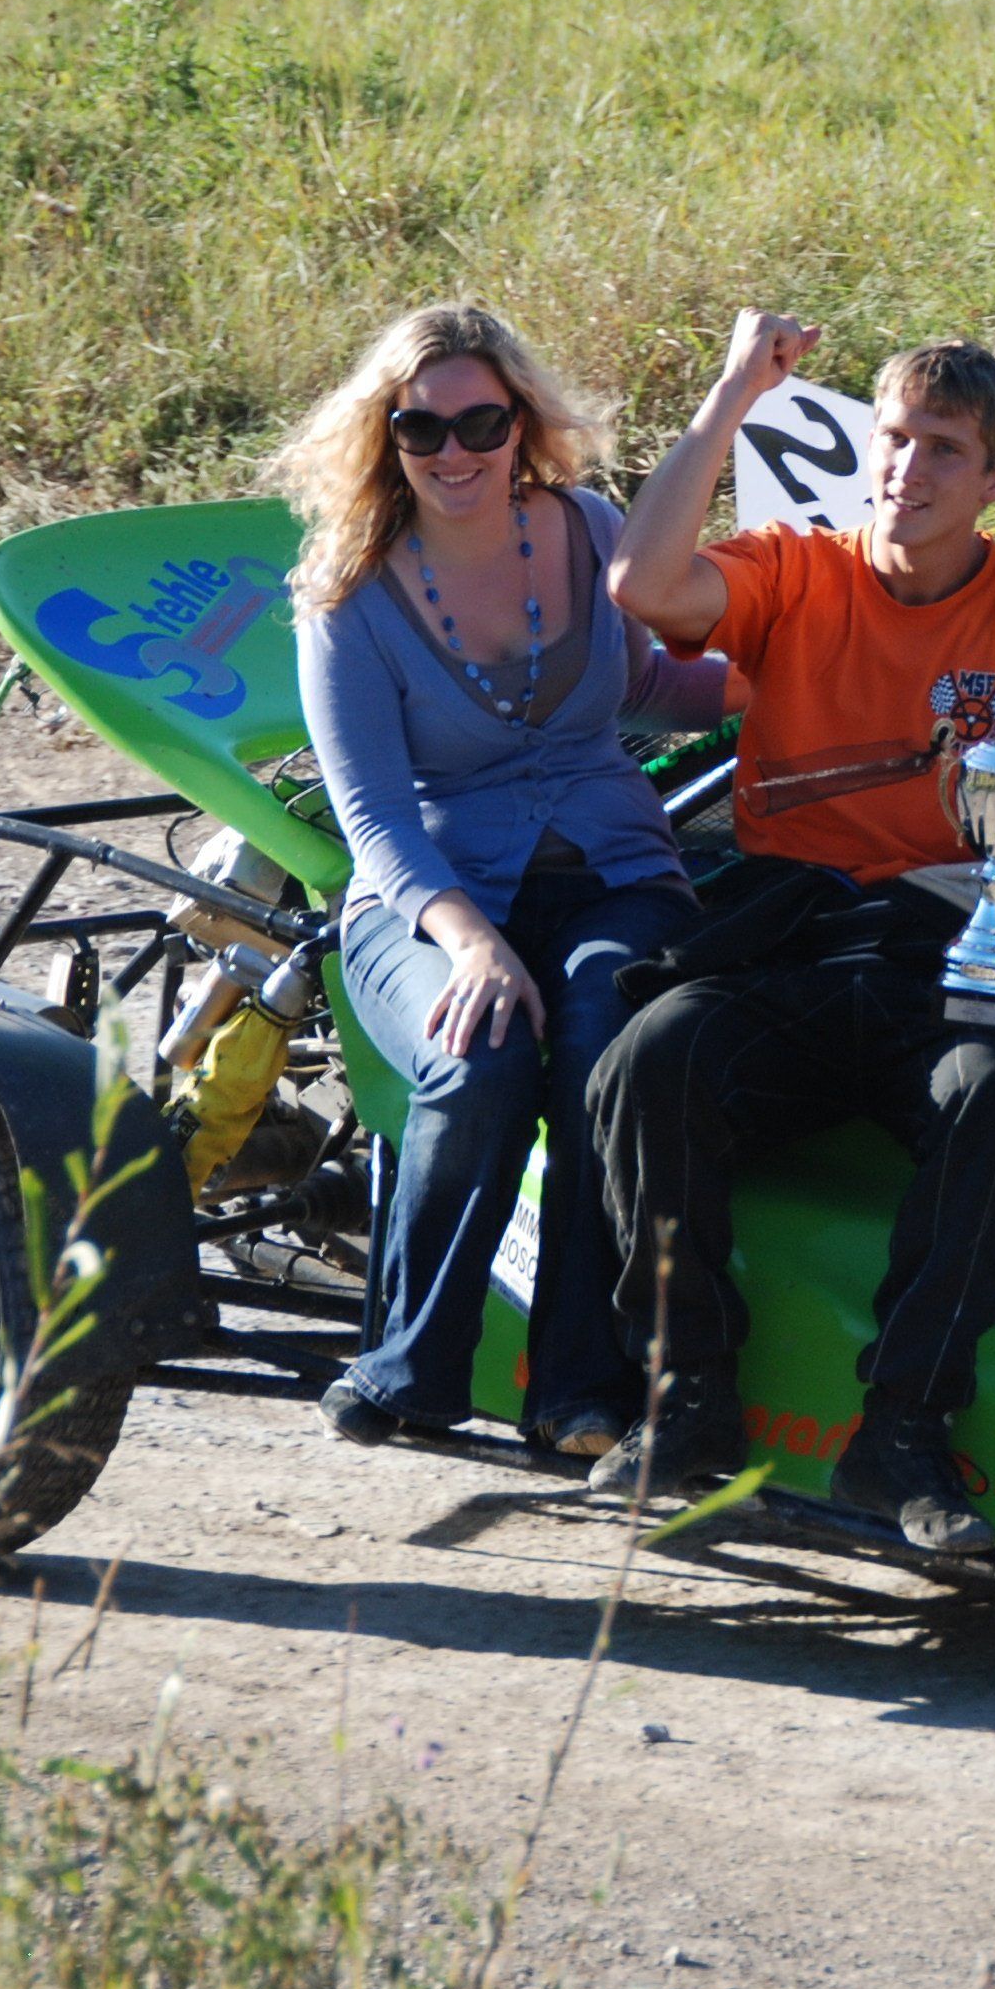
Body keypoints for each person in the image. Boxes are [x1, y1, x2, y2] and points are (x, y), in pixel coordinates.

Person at [586, 311, 995, 1548]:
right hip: (794, 945)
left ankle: (902, 1436)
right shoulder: (796, 570)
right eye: (893, 437)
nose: (906, 468)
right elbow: (640, 586)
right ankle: (686, 1399)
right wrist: (734, 391)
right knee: (648, 1059)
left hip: (949, 957)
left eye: (943, 449)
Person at [282, 302, 729, 1462]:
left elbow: (650, 688)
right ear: (384, 437)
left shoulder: (588, 528)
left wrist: (805, 671)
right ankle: (409, 1365)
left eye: (479, 422)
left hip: (613, 870)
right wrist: (472, 942)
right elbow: (373, 818)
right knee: (476, 1054)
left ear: (520, 423)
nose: (454, 452)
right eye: (419, 429)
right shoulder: (344, 595)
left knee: (603, 1050)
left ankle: (577, 1390)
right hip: (431, 893)